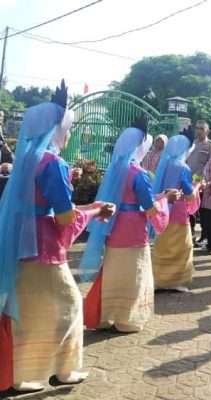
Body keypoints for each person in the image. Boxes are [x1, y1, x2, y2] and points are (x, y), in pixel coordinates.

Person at [0, 80, 115, 393]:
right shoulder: (53, 163)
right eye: (67, 127)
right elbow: (64, 218)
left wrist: (88, 206)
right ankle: (63, 370)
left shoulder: (24, 160)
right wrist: (93, 212)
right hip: (46, 250)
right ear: (57, 129)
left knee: (23, 312)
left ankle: (20, 374)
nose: (69, 133)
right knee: (70, 306)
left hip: (18, 247)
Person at [82, 121, 176, 334]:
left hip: (114, 226)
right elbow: (150, 208)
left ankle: (107, 314)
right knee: (134, 271)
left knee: (113, 269)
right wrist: (166, 199)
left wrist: (159, 197)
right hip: (133, 227)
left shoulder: (115, 169)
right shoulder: (137, 173)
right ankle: (127, 317)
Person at [152, 134, 201, 292]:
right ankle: (174, 281)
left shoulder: (164, 163)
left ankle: (158, 278)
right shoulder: (183, 167)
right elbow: (189, 195)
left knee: (163, 246)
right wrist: (198, 186)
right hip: (178, 212)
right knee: (181, 246)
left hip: (163, 209)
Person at [186, 120, 211, 247]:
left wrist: (202, 180)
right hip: (188, 181)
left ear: (207, 131)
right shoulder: (192, 144)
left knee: (203, 211)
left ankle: (204, 237)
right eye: (197, 128)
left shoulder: (210, 145)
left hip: (201, 182)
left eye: (201, 129)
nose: (198, 131)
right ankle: (191, 234)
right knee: (190, 210)